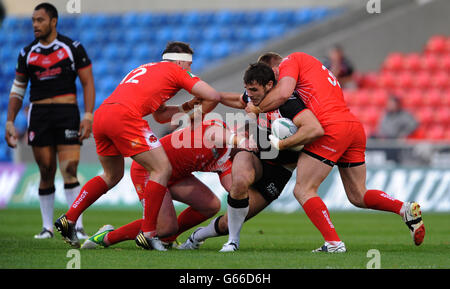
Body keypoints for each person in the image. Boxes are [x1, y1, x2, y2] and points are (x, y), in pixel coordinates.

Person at [246, 51, 425, 252]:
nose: (272, 83)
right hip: (352, 126)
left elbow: (283, 93)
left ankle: (333, 243)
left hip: (330, 128)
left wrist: (258, 109)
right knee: (358, 194)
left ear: (275, 68)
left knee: (303, 189)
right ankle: (404, 209)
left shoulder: (291, 61)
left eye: (272, 77)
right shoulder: (317, 70)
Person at [54, 41, 221, 250]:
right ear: (180, 61)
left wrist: (187, 107)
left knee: (111, 175)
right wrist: (196, 117)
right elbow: (213, 95)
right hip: (125, 117)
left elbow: (160, 116)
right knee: (162, 168)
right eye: (189, 65)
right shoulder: (175, 70)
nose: (190, 70)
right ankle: (149, 234)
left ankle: (69, 218)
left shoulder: (148, 69)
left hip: (103, 115)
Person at [179, 62, 324, 252]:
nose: (250, 94)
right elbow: (239, 100)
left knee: (227, 223)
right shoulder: (252, 97)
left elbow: (315, 129)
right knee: (240, 180)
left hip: (278, 171)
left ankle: (197, 236)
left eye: (254, 90)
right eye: (248, 89)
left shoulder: (289, 105)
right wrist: (214, 96)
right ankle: (233, 242)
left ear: (269, 86)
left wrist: (282, 144)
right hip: (254, 153)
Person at [80, 118, 251, 249]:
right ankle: (106, 237)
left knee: (211, 205)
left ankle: (167, 238)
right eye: (244, 136)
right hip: (148, 169)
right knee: (165, 226)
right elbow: (214, 134)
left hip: (173, 175)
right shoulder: (218, 127)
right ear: (237, 131)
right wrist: (242, 141)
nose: (246, 148)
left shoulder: (228, 162)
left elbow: (237, 191)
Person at [4, 3, 95, 240]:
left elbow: (87, 82)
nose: (35, 24)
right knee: (46, 170)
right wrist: (10, 121)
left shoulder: (73, 48)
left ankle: (76, 225)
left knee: (70, 169)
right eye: (33, 20)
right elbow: (18, 88)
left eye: (40, 20)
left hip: (67, 113)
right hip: (39, 115)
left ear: (53, 21)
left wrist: (88, 115)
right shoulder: (26, 53)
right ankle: (47, 227)